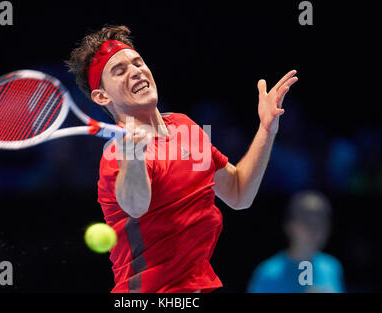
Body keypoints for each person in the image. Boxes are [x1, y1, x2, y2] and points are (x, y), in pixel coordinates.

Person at [66, 25, 298, 293]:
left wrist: (266, 129)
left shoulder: (185, 126)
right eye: (120, 71)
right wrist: (133, 152)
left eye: (138, 62)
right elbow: (135, 205)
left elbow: (238, 194)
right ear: (102, 96)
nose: (136, 71)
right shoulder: (116, 155)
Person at [247, 190, 345, 293]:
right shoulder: (268, 273)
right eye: (307, 220)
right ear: (289, 226)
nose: (315, 228)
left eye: (322, 220)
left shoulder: (332, 268)